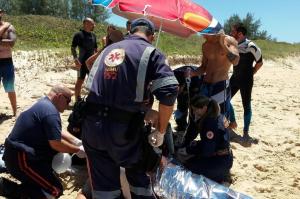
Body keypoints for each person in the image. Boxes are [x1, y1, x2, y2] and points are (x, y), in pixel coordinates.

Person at [82, 18, 178, 198]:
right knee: (139, 176)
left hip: (92, 126)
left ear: (131, 31)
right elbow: (169, 91)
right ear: (152, 36)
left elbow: (93, 75)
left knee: (104, 189)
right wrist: (161, 131)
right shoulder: (151, 52)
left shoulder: (108, 50)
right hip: (124, 132)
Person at [0, 84, 85, 198]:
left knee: (47, 185)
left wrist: (76, 141)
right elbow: (56, 143)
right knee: (54, 190)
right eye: (68, 100)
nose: (69, 104)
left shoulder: (44, 104)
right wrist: (78, 150)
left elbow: (57, 131)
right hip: (21, 159)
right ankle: (5, 187)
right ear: (59, 96)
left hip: (19, 155)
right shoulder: (50, 112)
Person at [176, 95, 233, 183]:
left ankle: (221, 176)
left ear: (204, 108)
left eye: (195, 110)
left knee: (188, 166)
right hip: (225, 156)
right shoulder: (217, 115)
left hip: (220, 161)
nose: (194, 113)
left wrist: (188, 150)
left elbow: (207, 151)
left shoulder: (209, 123)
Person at [190, 32, 239, 121]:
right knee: (200, 113)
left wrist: (223, 45)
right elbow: (203, 67)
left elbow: (235, 61)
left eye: (204, 33)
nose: (203, 36)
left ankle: (222, 133)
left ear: (212, 31)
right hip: (206, 84)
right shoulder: (205, 45)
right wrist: (192, 73)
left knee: (220, 116)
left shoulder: (229, 41)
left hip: (220, 85)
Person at [229, 23, 263, 140]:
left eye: (233, 32)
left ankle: (246, 132)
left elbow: (260, 62)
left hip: (247, 80)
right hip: (234, 77)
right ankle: (232, 122)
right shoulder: (232, 45)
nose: (231, 33)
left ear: (240, 34)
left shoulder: (251, 46)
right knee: (224, 98)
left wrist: (252, 72)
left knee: (246, 106)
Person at [71, 18, 97, 101]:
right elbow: (73, 48)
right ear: (86, 24)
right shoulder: (78, 35)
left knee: (93, 81)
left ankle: (92, 98)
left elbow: (96, 49)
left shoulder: (93, 36)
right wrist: (75, 59)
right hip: (81, 62)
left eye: (93, 24)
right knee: (80, 81)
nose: (93, 25)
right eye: (92, 23)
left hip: (91, 63)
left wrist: (97, 60)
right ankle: (77, 99)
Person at [0, 8, 17, 116]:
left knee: (10, 88)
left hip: (7, 62)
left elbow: (12, 42)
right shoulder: (6, 27)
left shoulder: (9, 26)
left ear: (1, 13)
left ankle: (15, 112)